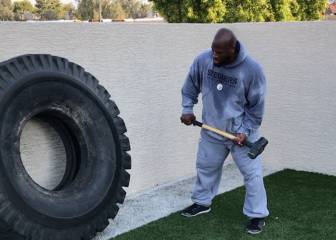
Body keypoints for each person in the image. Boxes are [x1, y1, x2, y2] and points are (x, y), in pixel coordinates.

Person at [180, 28, 269, 235]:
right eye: (213, 50)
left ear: (233, 48)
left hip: (242, 135)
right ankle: (202, 203)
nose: (214, 56)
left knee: (252, 174)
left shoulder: (253, 70)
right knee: (205, 166)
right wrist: (187, 109)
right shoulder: (204, 60)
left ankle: (257, 215)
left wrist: (245, 131)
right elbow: (190, 86)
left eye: (219, 53)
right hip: (213, 130)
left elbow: (256, 108)